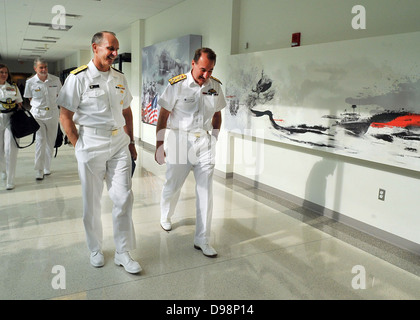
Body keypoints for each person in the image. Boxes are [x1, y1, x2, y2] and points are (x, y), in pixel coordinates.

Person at [57, 31, 141, 274]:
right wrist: (78, 145)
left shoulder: (119, 77)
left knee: (124, 197)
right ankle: (95, 248)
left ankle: (123, 252)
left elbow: (127, 113)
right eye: (110, 49)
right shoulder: (78, 78)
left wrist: (131, 142)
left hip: (119, 143)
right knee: (92, 202)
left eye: (116, 49)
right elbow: (65, 115)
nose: (114, 54)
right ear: (95, 47)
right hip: (90, 143)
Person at [155, 47, 226, 258]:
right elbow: (163, 115)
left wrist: (213, 140)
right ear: (193, 64)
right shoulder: (177, 85)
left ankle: (202, 239)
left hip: (204, 142)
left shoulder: (215, 87)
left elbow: (217, 116)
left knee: (205, 191)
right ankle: (165, 215)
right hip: (179, 140)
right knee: (173, 185)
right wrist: (159, 145)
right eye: (203, 69)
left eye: (211, 70)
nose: (206, 75)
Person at [24, 58, 62, 180]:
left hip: (53, 114)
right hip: (38, 115)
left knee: (50, 142)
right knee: (40, 141)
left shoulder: (55, 80)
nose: (44, 69)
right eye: (41, 67)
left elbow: (60, 95)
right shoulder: (30, 82)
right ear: (35, 68)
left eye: (45, 67)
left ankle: (47, 167)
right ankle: (38, 169)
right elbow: (29, 98)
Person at [0, 64, 23, 190]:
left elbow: (19, 103)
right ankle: (3, 169)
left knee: (10, 149)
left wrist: (15, 105)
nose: (4, 74)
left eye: (5, 72)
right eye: (1, 72)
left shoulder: (13, 88)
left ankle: (10, 179)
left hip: (11, 119)